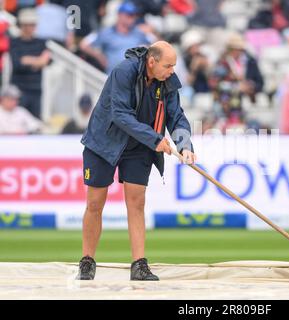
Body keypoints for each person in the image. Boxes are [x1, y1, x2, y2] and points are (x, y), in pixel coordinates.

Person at [77, 41, 196, 281]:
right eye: (168, 65)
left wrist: (184, 145)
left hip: (139, 146)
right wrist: (154, 138)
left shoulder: (168, 80)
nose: (172, 70)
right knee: (95, 203)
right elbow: (120, 114)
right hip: (105, 142)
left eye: (174, 65)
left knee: (137, 201)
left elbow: (177, 117)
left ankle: (139, 265)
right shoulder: (124, 71)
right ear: (152, 61)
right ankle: (87, 261)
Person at [80, 1, 155, 74]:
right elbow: (84, 44)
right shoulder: (106, 32)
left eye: (135, 15)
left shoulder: (139, 32)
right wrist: (99, 57)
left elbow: (158, 45)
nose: (133, 18)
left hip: (134, 80)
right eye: (130, 15)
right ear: (120, 15)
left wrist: (150, 34)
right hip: (113, 79)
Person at [9, 8, 51, 119]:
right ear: (21, 25)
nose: (30, 28)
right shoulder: (14, 42)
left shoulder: (41, 42)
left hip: (36, 89)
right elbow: (18, 63)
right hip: (19, 89)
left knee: (35, 121)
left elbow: (48, 61)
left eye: (32, 25)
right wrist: (39, 61)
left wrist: (28, 60)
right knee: (17, 120)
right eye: (27, 25)